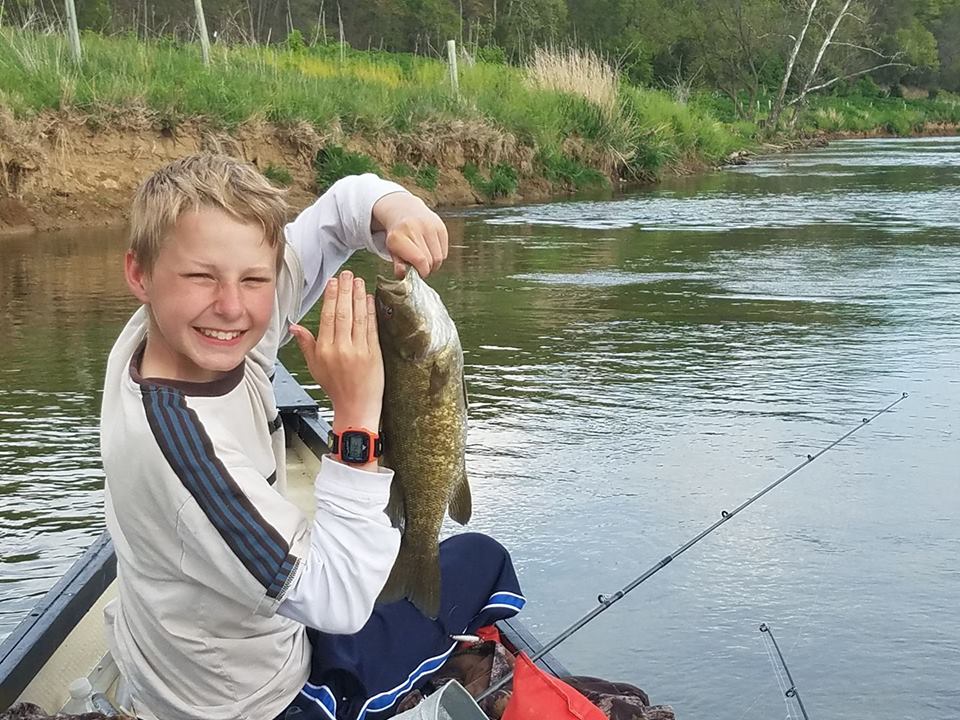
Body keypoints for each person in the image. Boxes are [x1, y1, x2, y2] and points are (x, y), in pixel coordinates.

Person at [100, 154, 525, 720]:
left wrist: (392, 207)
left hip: (205, 640)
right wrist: (355, 417)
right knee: (482, 568)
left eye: (255, 279)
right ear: (139, 275)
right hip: (256, 699)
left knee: (479, 556)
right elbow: (341, 602)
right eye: (202, 276)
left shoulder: (179, 333)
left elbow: (333, 215)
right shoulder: (182, 450)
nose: (232, 305)